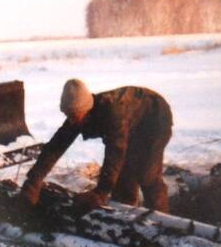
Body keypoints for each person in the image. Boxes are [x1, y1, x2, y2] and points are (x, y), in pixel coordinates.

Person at [20, 79, 174, 213]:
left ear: (86, 109)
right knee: (123, 178)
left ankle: (162, 219)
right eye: (68, 115)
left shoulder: (112, 113)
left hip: (155, 116)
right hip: (132, 122)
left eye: (74, 116)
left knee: (147, 174)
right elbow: (55, 147)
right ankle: (125, 216)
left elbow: (115, 153)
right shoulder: (76, 115)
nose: (71, 121)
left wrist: (100, 192)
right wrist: (33, 180)